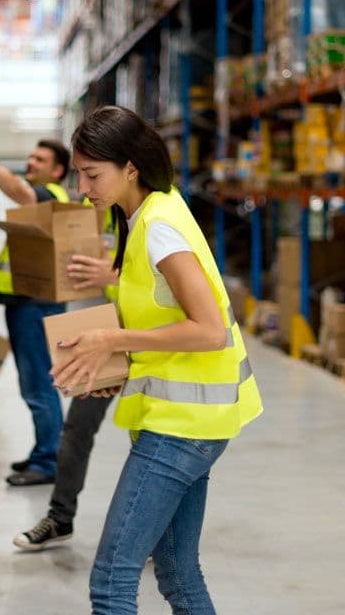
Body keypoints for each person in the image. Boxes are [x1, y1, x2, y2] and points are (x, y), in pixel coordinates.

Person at [51, 106, 263, 615]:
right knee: (177, 572)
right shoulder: (149, 212)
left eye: (91, 174)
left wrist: (112, 338)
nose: (83, 187)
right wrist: (116, 367)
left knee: (111, 582)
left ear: (130, 168)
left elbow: (209, 330)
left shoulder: (160, 226)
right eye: (79, 172)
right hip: (188, 420)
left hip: (182, 429)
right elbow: (161, 311)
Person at [0, 125, 72, 487]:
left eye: (40, 159)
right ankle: (44, 452)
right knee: (34, 382)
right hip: (26, 302)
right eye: (31, 156)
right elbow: (35, 247)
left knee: (39, 384)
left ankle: (49, 461)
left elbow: (19, 190)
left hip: (34, 305)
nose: (31, 162)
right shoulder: (43, 203)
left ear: (57, 171)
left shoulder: (45, 194)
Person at [13, 221, 120, 551]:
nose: (86, 186)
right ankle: (60, 519)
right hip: (105, 333)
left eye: (92, 173)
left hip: (151, 339)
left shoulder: (160, 211)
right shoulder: (95, 212)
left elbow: (178, 280)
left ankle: (159, 536)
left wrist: (116, 276)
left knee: (151, 439)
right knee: (76, 428)